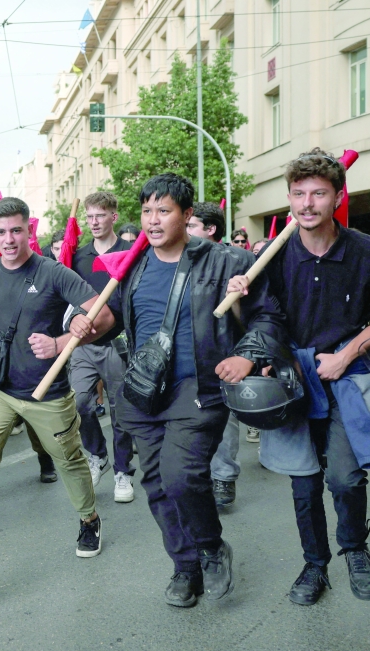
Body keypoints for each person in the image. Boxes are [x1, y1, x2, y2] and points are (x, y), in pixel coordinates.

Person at [103, 173, 285, 608]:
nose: (152, 219)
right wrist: (82, 329)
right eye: (146, 211)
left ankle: (209, 547)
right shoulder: (133, 264)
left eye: (163, 210)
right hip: (143, 390)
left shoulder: (226, 261)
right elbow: (111, 318)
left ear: (187, 216)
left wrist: (246, 355)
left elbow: (268, 316)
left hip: (198, 388)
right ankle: (184, 567)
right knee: (156, 485)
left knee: (181, 476)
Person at [0, 196, 110, 600]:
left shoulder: (53, 273)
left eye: (16, 230)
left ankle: (89, 518)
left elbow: (104, 317)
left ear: (31, 230)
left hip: (46, 392)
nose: (9, 239)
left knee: (71, 461)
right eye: (1, 232)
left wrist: (62, 340)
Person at [226, 148, 370, 606]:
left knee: (346, 478)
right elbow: (264, 320)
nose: (307, 204)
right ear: (289, 198)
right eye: (299, 194)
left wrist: (346, 355)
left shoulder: (365, 250)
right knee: (303, 481)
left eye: (318, 193)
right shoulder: (269, 255)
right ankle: (315, 563)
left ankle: (355, 549)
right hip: (292, 379)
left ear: (336, 197)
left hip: (348, 376)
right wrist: (240, 296)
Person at [68, 191, 136, 502]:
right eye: (90, 216)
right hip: (83, 342)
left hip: (118, 343)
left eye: (100, 215)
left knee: (120, 410)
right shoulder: (79, 257)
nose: (94, 221)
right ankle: (97, 456)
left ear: (113, 217)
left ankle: (123, 470)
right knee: (80, 403)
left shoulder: (131, 251)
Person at [187, 201, 252, 508]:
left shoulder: (239, 260)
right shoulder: (180, 259)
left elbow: (254, 316)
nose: (184, 232)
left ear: (210, 229)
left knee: (225, 420)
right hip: (190, 357)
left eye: (191, 226)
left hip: (225, 353)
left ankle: (224, 476)